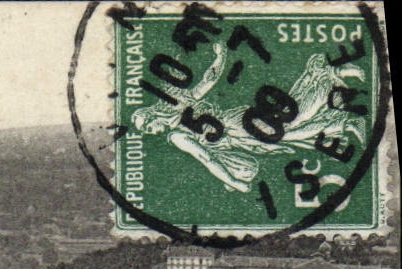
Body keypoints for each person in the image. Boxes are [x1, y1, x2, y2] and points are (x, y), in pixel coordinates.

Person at [131, 41, 368, 193]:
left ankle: (326, 77)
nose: (152, 133)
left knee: (292, 122)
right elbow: (210, 153)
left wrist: (221, 56)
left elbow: (206, 157)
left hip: (239, 126)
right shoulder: (177, 123)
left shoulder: (177, 127)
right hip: (240, 134)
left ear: (153, 117)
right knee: (293, 131)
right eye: (148, 132)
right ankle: (342, 117)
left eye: (148, 127)